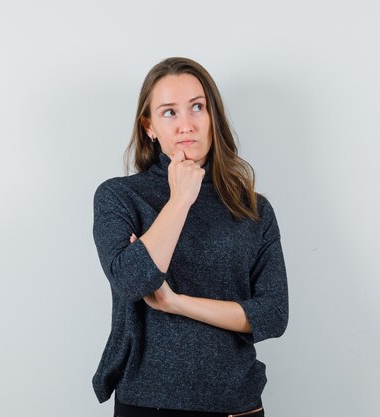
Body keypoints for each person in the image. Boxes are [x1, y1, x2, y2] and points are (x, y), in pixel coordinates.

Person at [91, 57, 289, 417]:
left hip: (236, 402)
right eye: (169, 112)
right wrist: (181, 199)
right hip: (148, 403)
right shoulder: (119, 197)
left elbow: (273, 315)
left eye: (197, 107)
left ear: (213, 115)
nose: (186, 124)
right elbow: (133, 281)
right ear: (149, 126)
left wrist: (176, 303)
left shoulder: (252, 209)